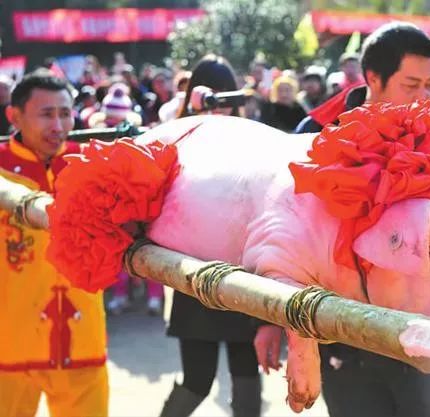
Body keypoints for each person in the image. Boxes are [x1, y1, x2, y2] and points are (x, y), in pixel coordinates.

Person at [258, 22, 430, 417]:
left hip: (426, 327)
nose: (425, 98)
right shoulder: (317, 133)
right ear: (373, 77)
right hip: (341, 330)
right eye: (411, 85)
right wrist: (269, 316)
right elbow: (285, 233)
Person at [0, 70, 108, 417]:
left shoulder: (93, 165)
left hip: (82, 336)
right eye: (46, 114)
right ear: (14, 116)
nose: (58, 125)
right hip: (8, 343)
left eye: (65, 113)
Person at [161, 54, 262, 417]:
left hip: (244, 277)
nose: (217, 104)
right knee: (196, 382)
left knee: (248, 377)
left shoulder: (255, 142)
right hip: (193, 276)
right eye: (210, 95)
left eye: (225, 96)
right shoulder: (177, 140)